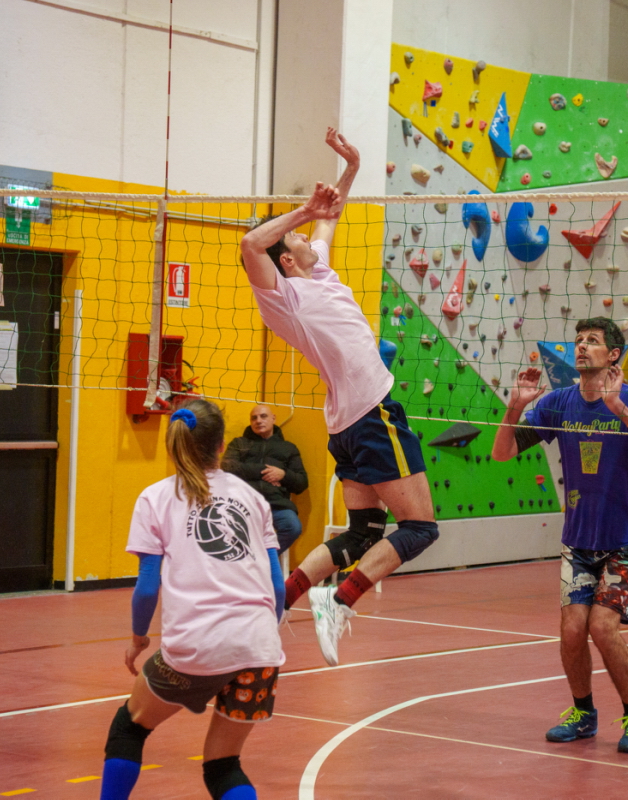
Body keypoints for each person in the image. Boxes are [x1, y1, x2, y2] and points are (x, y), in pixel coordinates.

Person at [238, 128, 438, 667]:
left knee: (363, 532)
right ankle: (340, 600)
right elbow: (251, 245)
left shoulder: (319, 269)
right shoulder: (284, 297)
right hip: (372, 415)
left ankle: (277, 604)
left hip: (348, 423)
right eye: (300, 238)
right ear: (287, 260)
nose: (311, 236)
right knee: (420, 528)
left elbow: (332, 215)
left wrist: (351, 167)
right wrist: (302, 211)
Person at [491, 318, 628, 754]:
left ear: (614, 355)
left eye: (592, 341)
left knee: (602, 627)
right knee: (573, 629)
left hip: (625, 537)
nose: (581, 347)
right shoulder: (558, 404)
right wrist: (514, 407)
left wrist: (616, 405)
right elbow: (502, 453)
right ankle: (583, 713)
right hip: (579, 539)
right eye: (578, 340)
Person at [99, 399, 285, 800]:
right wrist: (263, 634)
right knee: (223, 765)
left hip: (196, 647)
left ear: (173, 445)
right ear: (221, 446)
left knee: (129, 727)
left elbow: (148, 586)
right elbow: (277, 584)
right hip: (260, 647)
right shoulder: (253, 497)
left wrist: (138, 638)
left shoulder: (155, 497)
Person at [221, 404, 309, 555]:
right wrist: (264, 471)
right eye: (254, 418)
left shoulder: (288, 448)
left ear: (273, 418)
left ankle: (258, 558)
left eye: (263, 416)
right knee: (226, 528)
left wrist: (283, 475)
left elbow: (302, 483)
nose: (258, 421)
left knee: (293, 527)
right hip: (244, 503)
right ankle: (254, 560)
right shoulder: (239, 443)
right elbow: (227, 468)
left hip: (276, 504)